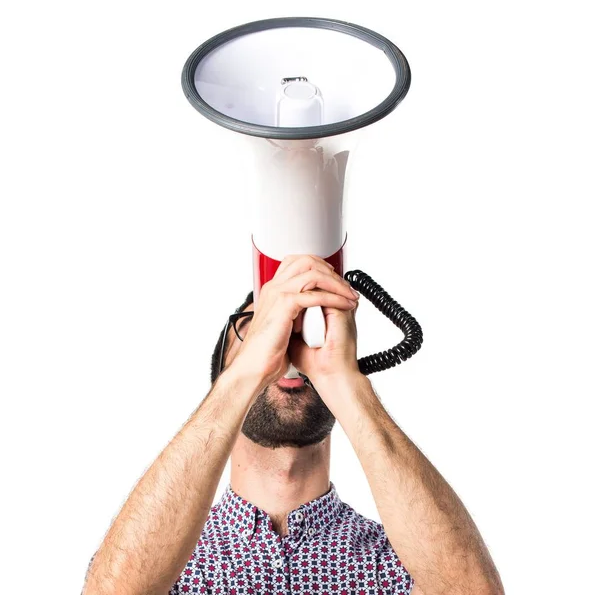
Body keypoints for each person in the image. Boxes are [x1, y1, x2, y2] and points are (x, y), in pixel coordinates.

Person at [82, 255, 504, 595]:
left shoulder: (397, 564)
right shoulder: (170, 559)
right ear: (222, 377)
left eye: (303, 333)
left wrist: (343, 382)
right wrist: (248, 373)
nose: (286, 347)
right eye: (261, 330)